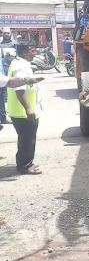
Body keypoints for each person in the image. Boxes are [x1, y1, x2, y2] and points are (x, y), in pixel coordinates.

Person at [7, 45, 43, 175]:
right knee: (27, 139)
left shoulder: (20, 63)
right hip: (23, 112)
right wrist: (28, 108)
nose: (35, 53)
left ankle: (25, 162)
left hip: (21, 111)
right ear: (24, 52)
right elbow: (19, 89)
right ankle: (25, 165)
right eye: (32, 51)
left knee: (25, 138)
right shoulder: (20, 67)